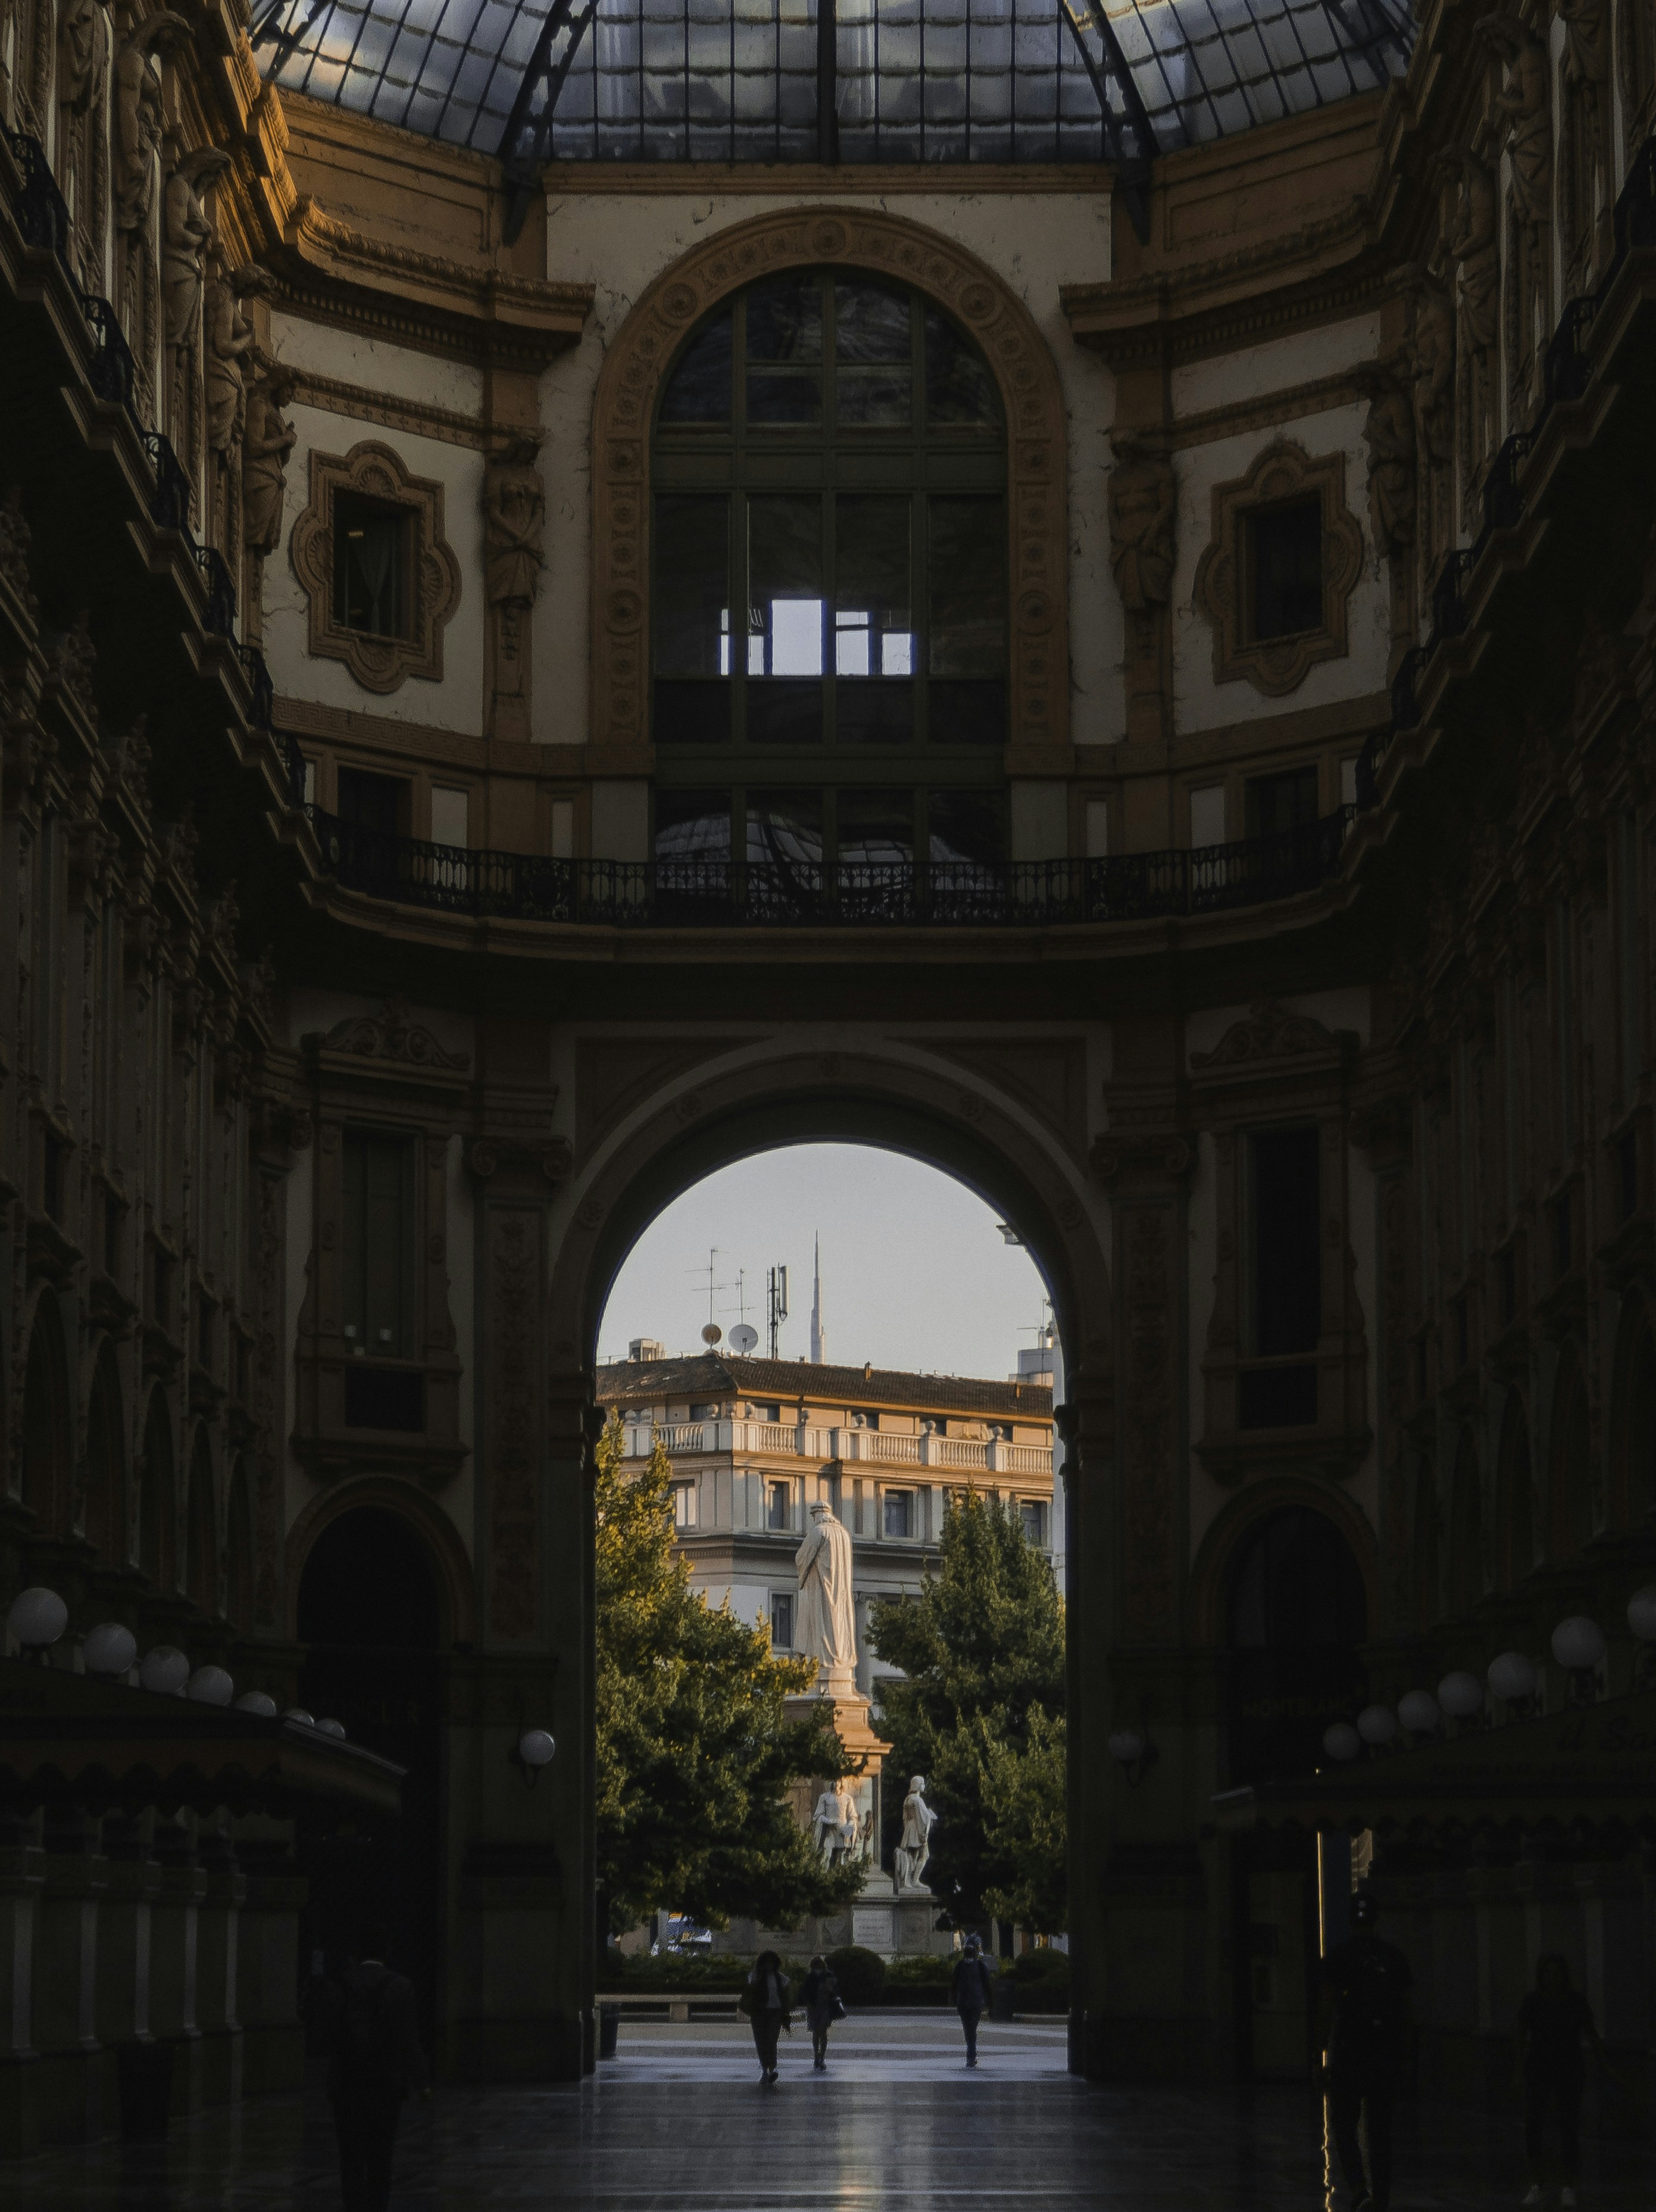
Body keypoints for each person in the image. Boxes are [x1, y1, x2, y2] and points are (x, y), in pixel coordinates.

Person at [316, 1925, 430, 2212]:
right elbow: (409, 2040)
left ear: (356, 1954)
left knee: (351, 2156)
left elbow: (326, 2036)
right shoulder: (401, 1987)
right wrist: (422, 2083)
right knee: (381, 2155)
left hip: (347, 2083)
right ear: (387, 1952)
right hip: (386, 2083)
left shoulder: (338, 1985)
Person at [1319, 1889, 1412, 2212]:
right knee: (1380, 2131)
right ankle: (1381, 2196)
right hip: (1383, 2051)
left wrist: (1322, 2054)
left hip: (1350, 2050)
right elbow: (1405, 2010)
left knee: (1345, 2126)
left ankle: (1360, 2190)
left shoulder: (1339, 1957)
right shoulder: (1393, 1957)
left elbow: (1328, 2007)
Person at [1516, 1954, 1608, 2209]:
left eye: (1555, 1973)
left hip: (1569, 2070)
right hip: (1539, 2069)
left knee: (1569, 2126)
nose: (1551, 1978)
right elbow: (1521, 2036)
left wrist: (1605, 2063)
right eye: (1546, 1973)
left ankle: (1568, 2185)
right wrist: (1516, 2070)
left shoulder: (1574, 2001)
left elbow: (1591, 2032)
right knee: (1533, 2125)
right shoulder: (1533, 2002)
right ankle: (1539, 2183)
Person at [740, 1949, 792, 2086]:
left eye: (772, 1962)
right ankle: (765, 2069)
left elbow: (785, 1997)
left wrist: (786, 2013)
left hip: (775, 2012)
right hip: (759, 2012)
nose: (769, 1965)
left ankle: (772, 2067)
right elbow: (749, 1993)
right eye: (767, 1962)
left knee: (771, 2040)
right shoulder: (755, 1977)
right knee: (761, 2041)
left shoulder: (781, 1978)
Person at [951, 1935, 996, 2069]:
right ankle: (971, 2055)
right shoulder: (981, 1966)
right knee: (972, 2029)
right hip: (975, 2002)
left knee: (968, 2029)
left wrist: (954, 2000)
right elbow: (987, 1985)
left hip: (964, 2003)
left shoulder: (960, 1966)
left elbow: (954, 1984)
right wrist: (990, 2002)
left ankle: (971, 2054)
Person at [801, 1954, 843, 2070]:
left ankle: (821, 2057)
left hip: (825, 2006)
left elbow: (835, 1991)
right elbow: (806, 1992)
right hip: (815, 2007)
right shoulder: (811, 1977)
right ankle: (817, 2056)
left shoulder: (827, 1976)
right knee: (817, 2032)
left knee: (822, 2031)